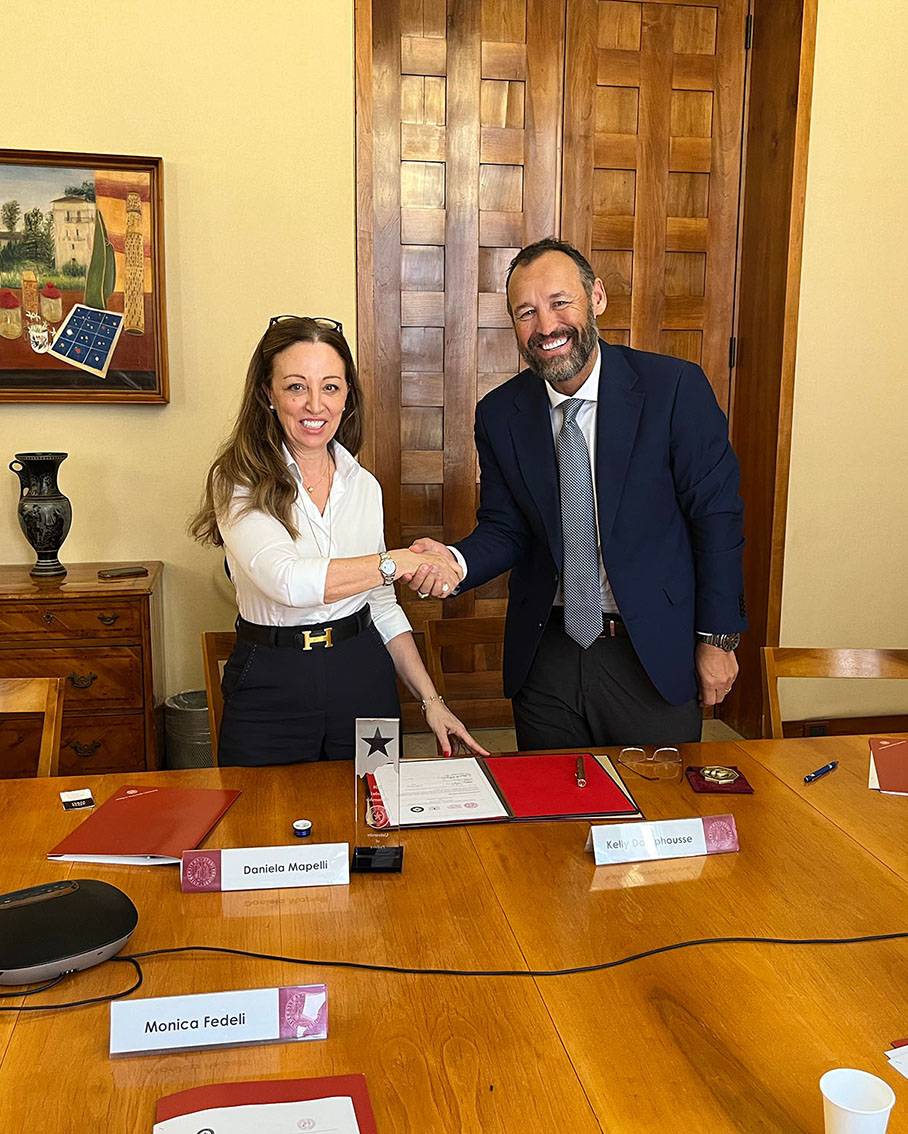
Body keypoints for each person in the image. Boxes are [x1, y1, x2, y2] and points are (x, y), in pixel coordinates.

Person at [406, 238, 746, 749]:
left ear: (597, 298)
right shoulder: (501, 414)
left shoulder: (673, 389)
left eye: (560, 303)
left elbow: (717, 518)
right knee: (551, 817)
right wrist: (455, 562)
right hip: (548, 655)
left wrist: (718, 638)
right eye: (526, 312)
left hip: (649, 651)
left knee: (657, 818)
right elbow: (506, 527)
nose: (546, 327)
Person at [190, 315, 485, 765]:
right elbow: (286, 581)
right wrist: (398, 561)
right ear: (267, 394)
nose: (315, 405)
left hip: (361, 673)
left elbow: (382, 606)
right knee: (265, 825)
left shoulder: (364, 485)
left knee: (375, 816)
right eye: (295, 387)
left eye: (330, 387)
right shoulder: (238, 481)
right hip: (271, 680)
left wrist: (431, 701)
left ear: (347, 396)